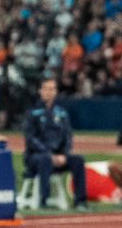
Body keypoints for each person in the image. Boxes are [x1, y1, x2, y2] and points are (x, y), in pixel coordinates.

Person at [22, 78, 87, 209]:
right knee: (45, 159)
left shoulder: (61, 113)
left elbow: (68, 137)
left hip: (58, 156)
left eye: (52, 89)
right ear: (40, 91)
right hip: (36, 156)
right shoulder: (32, 113)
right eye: (46, 88)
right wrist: (49, 154)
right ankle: (43, 199)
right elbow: (31, 138)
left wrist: (64, 154)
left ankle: (80, 201)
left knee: (78, 160)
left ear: (56, 92)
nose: (49, 92)